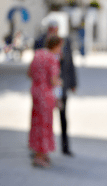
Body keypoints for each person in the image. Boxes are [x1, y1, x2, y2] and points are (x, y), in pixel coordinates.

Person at [28, 35, 63, 168]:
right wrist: (60, 82)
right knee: (45, 125)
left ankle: (40, 153)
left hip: (36, 92)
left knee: (36, 123)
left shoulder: (38, 54)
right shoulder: (52, 58)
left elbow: (29, 73)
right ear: (56, 46)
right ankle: (40, 155)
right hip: (46, 94)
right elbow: (54, 80)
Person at [59, 35, 77, 156]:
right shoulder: (41, 40)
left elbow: (70, 63)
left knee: (63, 118)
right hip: (48, 89)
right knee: (44, 120)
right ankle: (40, 150)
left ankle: (65, 146)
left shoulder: (66, 42)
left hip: (62, 88)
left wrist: (73, 83)